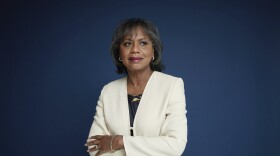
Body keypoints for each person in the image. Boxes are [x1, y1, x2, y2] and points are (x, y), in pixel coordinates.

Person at [85, 18, 187, 156]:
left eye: (143, 43)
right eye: (127, 44)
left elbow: (175, 146)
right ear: (119, 53)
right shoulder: (108, 91)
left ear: (153, 51)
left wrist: (119, 141)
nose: (134, 50)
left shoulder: (172, 85)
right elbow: (94, 147)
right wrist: (150, 146)